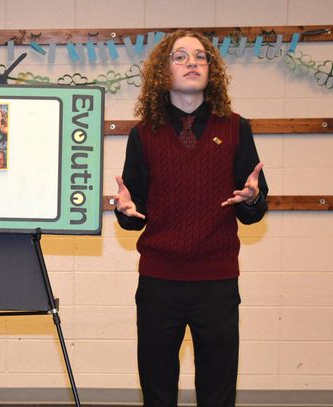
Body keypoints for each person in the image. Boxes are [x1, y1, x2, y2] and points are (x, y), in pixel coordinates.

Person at [114, 30, 269, 407]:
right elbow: (134, 213)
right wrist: (125, 213)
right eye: (180, 56)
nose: (192, 63)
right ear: (163, 70)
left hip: (217, 282)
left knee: (218, 393)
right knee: (157, 392)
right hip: (158, 282)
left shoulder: (236, 127)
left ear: (211, 70)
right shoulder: (142, 134)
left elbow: (253, 210)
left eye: (200, 57)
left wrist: (252, 199)